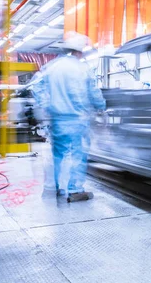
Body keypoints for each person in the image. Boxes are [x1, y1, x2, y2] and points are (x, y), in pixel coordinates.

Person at [34, 32, 106, 202]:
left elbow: (36, 87)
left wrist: (46, 106)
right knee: (77, 155)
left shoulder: (52, 66)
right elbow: (94, 93)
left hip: (57, 120)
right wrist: (101, 107)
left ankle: (59, 187)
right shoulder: (83, 69)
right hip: (77, 119)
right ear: (80, 51)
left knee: (59, 155)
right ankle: (75, 190)